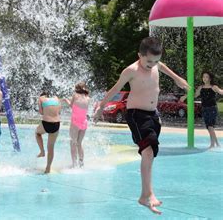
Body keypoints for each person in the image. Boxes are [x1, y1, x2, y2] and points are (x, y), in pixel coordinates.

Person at [94, 37, 189, 215]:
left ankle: (146, 194)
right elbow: (115, 89)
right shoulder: (131, 70)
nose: (152, 65)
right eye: (148, 61)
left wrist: (178, 79)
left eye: (155, 61)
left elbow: (163, 67)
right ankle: (146, 194)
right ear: (140, 55)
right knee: (147, 151)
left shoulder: (155, 65)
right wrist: (100, 108)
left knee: (151, 152)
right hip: (136, 114)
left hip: (153, 114)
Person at [180, 71, 223, 148]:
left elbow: (221, 92)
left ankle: (212, 144)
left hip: (212, 108)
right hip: (204, 109)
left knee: (210, 126)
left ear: (210, 78)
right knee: (209, 127)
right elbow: (194, 95)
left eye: (206, 77)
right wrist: (185, 96)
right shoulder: (201, 87)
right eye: (203, 77)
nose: (204, 78)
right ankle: (217, 143)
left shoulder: (214, 87)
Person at [63, 82, 90, 168]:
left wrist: (65, 100)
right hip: (84, 122)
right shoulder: (88, 98)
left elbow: (71, 105)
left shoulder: (75, 95)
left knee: (73, 143)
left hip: (75, 122)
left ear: (76, 88)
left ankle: (74, 163)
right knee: (79, 143)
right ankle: (81, 163)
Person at [35, 90, 61, 173]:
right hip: (56, 124)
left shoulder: (41, 98)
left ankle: (42, 151)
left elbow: (41, 112)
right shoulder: (56, 98)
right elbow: (59, 111)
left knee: (37, 133)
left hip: (46, 123)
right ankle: (48, 168)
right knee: (51, 147)